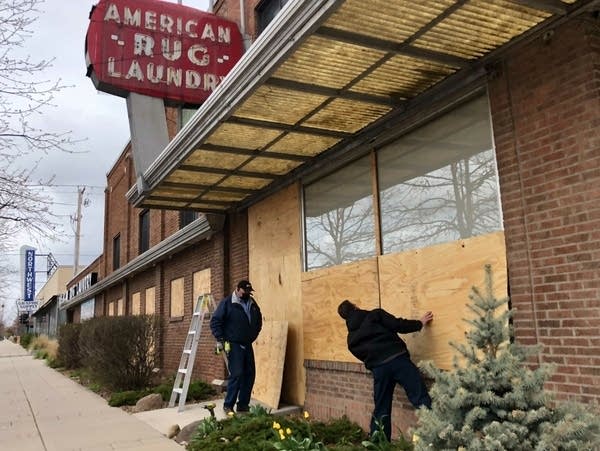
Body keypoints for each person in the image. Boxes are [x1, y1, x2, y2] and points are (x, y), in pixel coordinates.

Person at [337, 299, 433, 441]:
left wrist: (377, 363)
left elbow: (364, 357)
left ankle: (378, 443)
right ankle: (439, 432)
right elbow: (398, 325)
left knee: (381, 407)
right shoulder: (375, 315)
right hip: (399, 361)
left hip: (380, 371)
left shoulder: (351, 341)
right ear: (356, 307)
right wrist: (419, 323)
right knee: (419, 396)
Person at [210, 280, 262, 414]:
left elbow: (258, 319)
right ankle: (228, 405)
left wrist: (254, 334)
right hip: (233, 344)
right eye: (245, 291)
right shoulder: (227, 303)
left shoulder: (252, 303)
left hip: (247, 343)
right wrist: (220, 338)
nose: (247, 294)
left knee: (250, 374)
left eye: (249, 292)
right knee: (237, 374)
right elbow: (215, 321)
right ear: (237, 289)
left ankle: (243, 405)